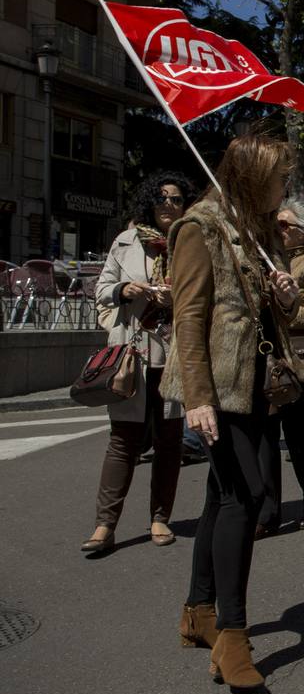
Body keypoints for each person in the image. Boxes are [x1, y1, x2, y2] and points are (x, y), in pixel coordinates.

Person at [168, 134, 301, 690]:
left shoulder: (256, 230)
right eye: (277, 177)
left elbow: (269, 317)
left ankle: (198, 612)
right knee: (245, 498)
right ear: (250, 177)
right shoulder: (199, 227)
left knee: (220, 497)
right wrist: (197, 399)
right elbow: (188, 317)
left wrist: (284, 294)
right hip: (218, 390)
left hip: (253, 387)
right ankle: (232, 636)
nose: (284, 187)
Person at [82, 172, 195, 555]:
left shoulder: (192, 243)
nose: (168, 205)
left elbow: (204, 295)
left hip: (175, 354)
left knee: (169, 442)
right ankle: (104, 525)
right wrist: (125, 289)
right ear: (150, 202)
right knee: (123, 440)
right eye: (162, 198)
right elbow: (100, 289)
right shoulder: (126, 242)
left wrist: (174, 298)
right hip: (131, 355)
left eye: (176, 199)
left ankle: (160, 517)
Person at [255, 200, 304, 537]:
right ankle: (268, 513)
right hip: (265, 359)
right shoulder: (259, 260)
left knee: (300, 439)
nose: (279, 229)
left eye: (285, 224)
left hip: (302, 362)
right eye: (276, 222)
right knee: (265, 440)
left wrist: (283, 312)